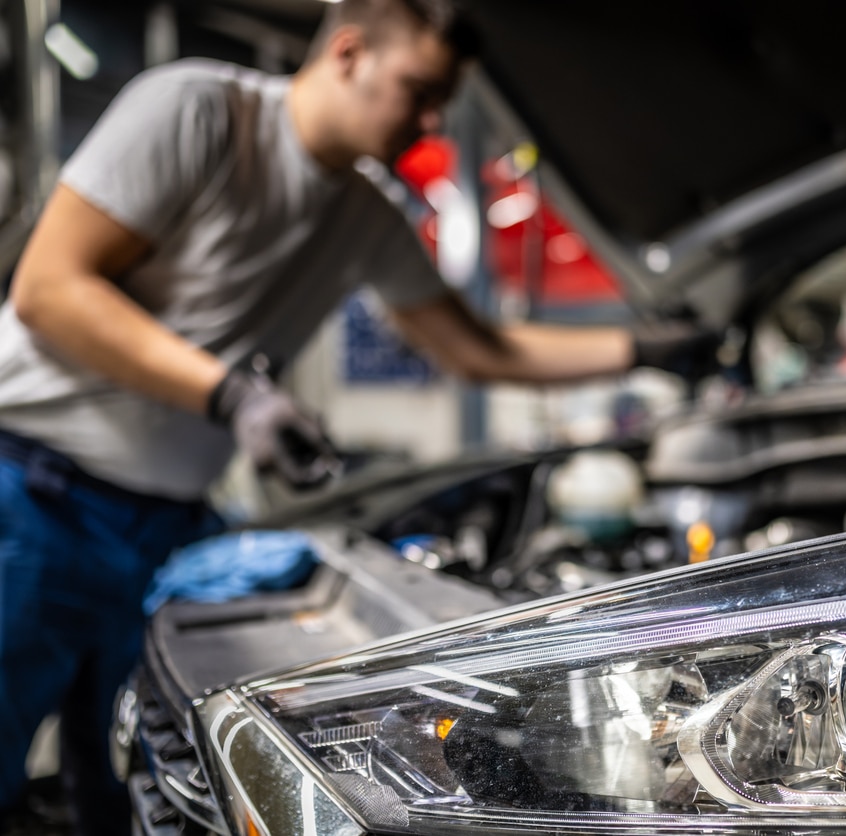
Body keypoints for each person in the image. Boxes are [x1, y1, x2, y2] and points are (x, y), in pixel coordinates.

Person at [0, 0, 717, 832]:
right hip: (32, 495)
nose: (431, 118)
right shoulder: (199, 110)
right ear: (347, 52)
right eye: (419, 89)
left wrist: (645, 351)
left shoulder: (365, 215)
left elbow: (478, 349)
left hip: (157, 529)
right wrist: (233, 396)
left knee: (127, 785)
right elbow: (49, 289)